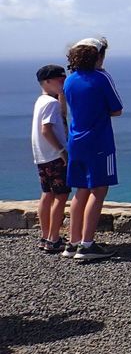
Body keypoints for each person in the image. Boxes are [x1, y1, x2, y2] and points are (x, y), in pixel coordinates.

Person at [61, 37, 123, 261]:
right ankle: (87, 245)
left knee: (81, 190)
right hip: (98, 141)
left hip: (76, 140)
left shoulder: (69, 80)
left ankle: (73, 242)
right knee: (98, 190)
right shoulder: (101, 78)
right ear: (98, 56)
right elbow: (116, 109)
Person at [31, 64, 71, 254]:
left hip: (42, 156)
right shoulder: (51, 104)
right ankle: (54, 239)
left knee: (47, 194)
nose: (63, 82)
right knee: (61, 196)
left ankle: (46, 236)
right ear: (47, 81)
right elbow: (46, 130)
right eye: (59, 79)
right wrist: (62, 151)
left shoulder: (42, 101)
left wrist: (61, 95)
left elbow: (62, 116)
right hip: (55, 157)